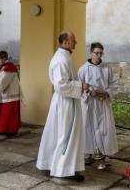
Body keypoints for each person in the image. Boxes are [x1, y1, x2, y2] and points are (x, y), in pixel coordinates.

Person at [36, 31, 90, 182]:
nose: (76, 42)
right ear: (66, 42)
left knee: (58, 134)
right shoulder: (61, 59)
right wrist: (81, 86)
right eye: (73, 40)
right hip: (65, 102)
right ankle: (63, 170)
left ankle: (52, 165)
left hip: (66, 101)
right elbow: (61, 85)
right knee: (66, 135)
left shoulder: (64, 56)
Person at [78, 42, 118, 168]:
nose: (99, 55)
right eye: (96, 53)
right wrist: (88, 93)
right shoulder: (83, 69)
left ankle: (103, 155)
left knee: (104, 128)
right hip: (89, 104)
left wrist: (107, 93)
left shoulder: (107, 69)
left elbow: (114, 84)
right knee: (88, 127)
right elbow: (79, 86)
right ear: (91, 53)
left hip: (103, 103)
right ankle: (87, 154)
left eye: (101, 53)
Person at [0, 51, 21, 136]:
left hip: (10, 95)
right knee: (5, 114)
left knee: (8, 115)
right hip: (8, 95)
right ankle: (3, 129)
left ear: (3, 58)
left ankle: (8, 130)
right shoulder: (6, 67)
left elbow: (2, 83)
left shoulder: (9, 68)